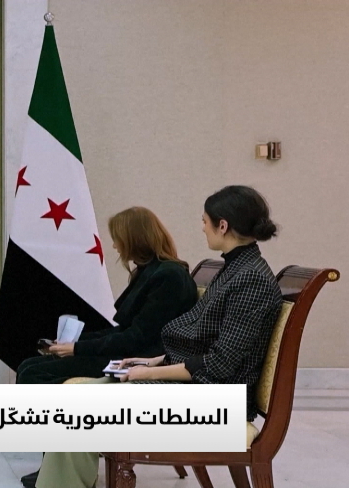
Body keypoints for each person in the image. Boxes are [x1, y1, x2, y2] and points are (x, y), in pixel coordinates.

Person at [35, 185, 283, 488]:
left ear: (223, 225)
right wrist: (152, 362)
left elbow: (219, 364)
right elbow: (205, 344)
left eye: (204, 221)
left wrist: (149, 373)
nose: (202, 227)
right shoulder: (237, 269)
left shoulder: (251, 279)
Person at [15, 207, 198, 488]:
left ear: (134, 238)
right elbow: (123, 330)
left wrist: (78, 349)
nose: (114, 246)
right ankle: (54, 462)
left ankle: (60, 465)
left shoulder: (169, 276)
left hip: (140, 362)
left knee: (35, 374)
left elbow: (137, 338)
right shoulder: (152, 271)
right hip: (128, 353)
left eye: (118, 238)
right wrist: (76, 345)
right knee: (29, 366)